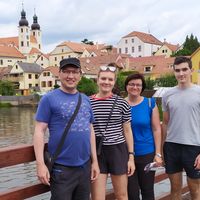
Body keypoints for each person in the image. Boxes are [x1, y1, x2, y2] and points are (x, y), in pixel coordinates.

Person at [33, 57, 99, 200]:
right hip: (61, 168)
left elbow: (90, 130)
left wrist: (95, 162)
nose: (71, 76)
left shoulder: (85, 99)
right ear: (59, 74)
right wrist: (40, 164)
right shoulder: (49, 99)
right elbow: (39, 131)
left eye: (75, 72)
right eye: (66, 72)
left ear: (80, 75)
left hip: (84, 166)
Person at [90, 64, 135, 200]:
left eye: (110, 79)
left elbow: (127, 130)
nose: (106, 82)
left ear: (114, 82)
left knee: (121, 195)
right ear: (97, 80)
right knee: (97, 197)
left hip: (118, 149)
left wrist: (131, 157)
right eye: (103, 78)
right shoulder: (88, 102)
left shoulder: (122, 103)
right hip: (97, 151)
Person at [162, 56, 200, 200]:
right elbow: (165, 123)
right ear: (174, 72)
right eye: (177, 70)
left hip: (194, 147)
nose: (181, 73)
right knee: (175, 190)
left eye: (185, 69)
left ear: (192, 70)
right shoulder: (167, 95)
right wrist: (161, 149)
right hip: (172, 146)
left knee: (195, 190)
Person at [125, 73, 162, 200]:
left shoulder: (150, 103)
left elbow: (157, 129)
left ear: (142, 87)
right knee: (132, 193)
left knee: (147, 190)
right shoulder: (120, 104)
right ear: (126, 86)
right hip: (126, 155)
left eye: (138, 85)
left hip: (147, 154)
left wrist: (158, 154)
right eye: (131, 84)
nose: (135, 87)